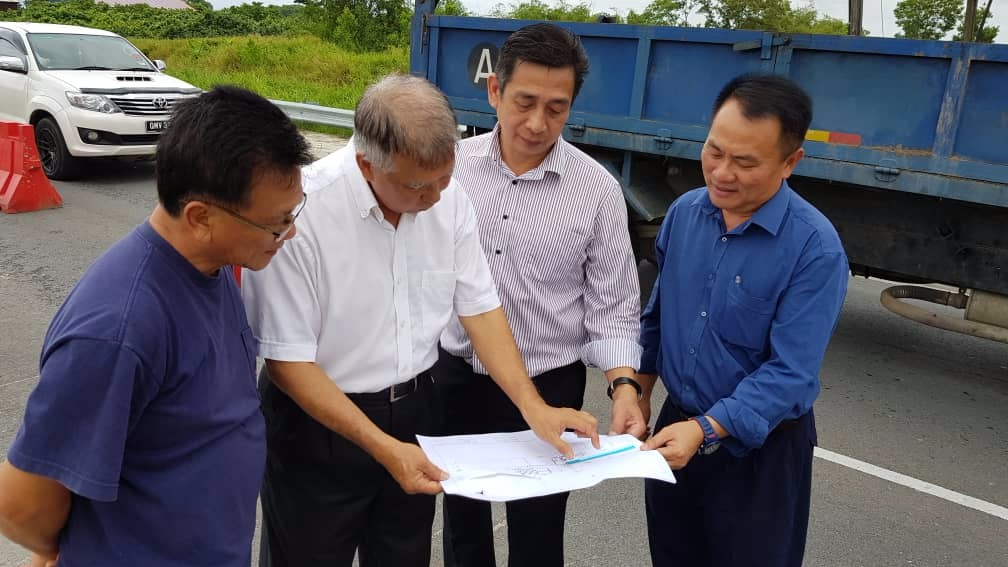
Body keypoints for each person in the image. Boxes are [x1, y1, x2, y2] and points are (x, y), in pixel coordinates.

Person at [241, 73, 600, 567]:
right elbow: (288, 362)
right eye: (416, 185)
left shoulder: (448, 198)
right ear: (367, 164)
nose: (434, 196)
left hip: (415, 415)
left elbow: (480, 307)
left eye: (444, 177)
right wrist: (385, 449)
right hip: (318, 427)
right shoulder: (304, 212)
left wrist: (533, 407)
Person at [0, 85, 312, 566]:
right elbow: (21, 503)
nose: (288, 233)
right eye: (277, 223)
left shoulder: (212, 267)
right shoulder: (117, 329)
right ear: (201, 217)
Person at [435, 23, 645, 567]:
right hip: (456, 377)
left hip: (551, 383)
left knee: (539, 533)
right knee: (463, 526)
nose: (536, 123)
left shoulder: (596, 189)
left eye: (556, 108)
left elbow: (614, 305)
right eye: (524, 102)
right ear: (495, 91)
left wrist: (624, 388)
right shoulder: (449, 171)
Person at [638, 73, 850, 566]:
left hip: (761, 452)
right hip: (677, 428)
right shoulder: (684, 215)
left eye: (745, 162)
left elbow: (791, 372)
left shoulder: (814, 249)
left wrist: (707, 429)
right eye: (714, 151)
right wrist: (638, 390)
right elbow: (658, 319)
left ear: (790, 162)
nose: (722, 173)